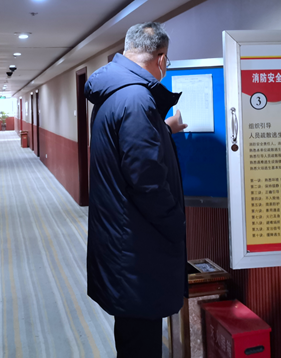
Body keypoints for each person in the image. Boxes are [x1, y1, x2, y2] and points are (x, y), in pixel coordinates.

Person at [84, 21, 188, 358]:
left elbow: (128, 154)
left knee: (132, 333)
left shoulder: (116, 92)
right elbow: (147, 180)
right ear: (161, 58)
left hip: (122, 237)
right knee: (141, 340)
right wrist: (175, 223)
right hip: (137, 243)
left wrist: (163, 130)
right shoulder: (137, 99)